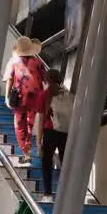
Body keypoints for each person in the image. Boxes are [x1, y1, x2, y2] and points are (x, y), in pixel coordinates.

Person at [3, 36, 47, 165]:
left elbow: (10, 79)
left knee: (19, 125)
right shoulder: (38, 62)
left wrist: (7, 97)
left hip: (20, 99)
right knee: (30, 123)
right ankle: (31, 147)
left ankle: (26, 153)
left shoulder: (13, 61)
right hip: (36, 97)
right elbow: (45, 79)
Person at [37, 69, 73, 200]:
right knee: (65, 164)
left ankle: (47, 194)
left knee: (47, 163)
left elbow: (41, 120)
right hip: (65, 132)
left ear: (47, 80)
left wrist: (38, 141)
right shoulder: (68, 95)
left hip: (50, 131)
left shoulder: (44, 95)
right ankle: (67, 194)